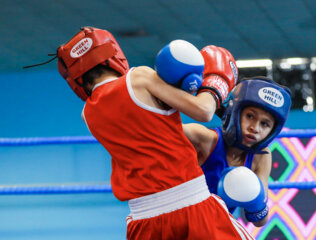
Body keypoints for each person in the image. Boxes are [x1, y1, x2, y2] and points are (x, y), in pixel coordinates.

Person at [55, 27, 254, 239]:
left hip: (143, 221)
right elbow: (204, 111)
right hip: (190, 203)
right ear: (114, 53)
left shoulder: (88, 114)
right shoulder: (138, 78)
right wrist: (217, 82)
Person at [183, 77, 292, 227]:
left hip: (215, 229)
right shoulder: (205, 139)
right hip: (179, 221)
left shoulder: (261, 158)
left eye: (265, 124)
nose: (255, 127)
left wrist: (256, 204)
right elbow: (157, 128)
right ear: (234, 111)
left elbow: (260, 220)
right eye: (250, 116)